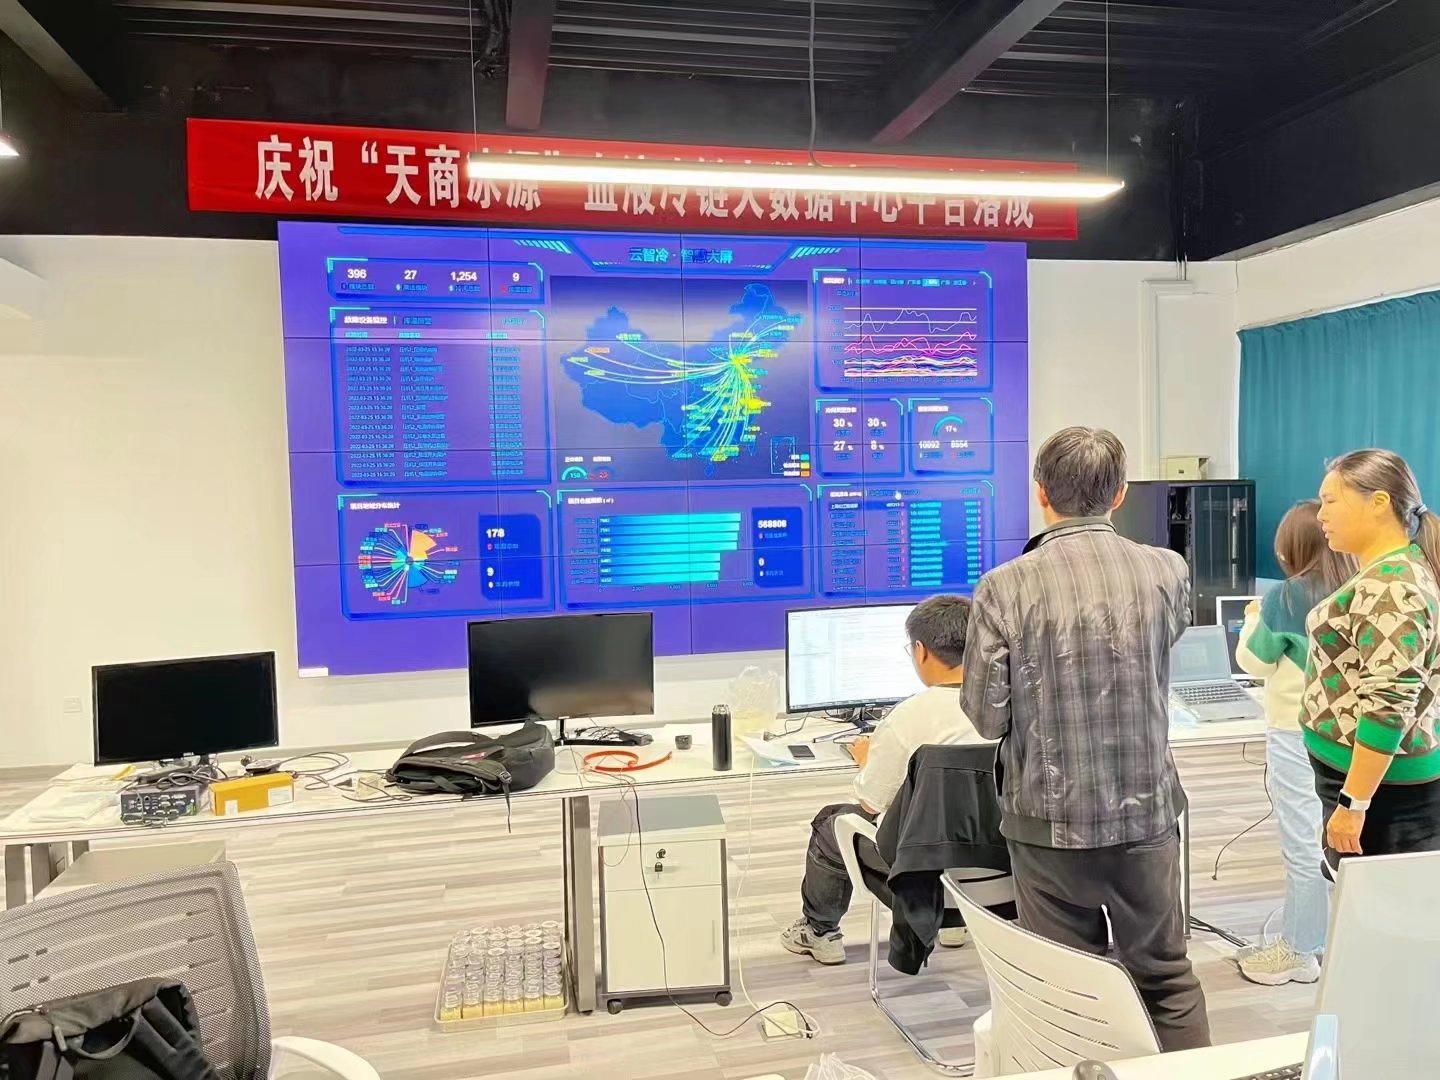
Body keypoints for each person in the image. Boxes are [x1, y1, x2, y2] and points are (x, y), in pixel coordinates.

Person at [962, 426, 1211, 1053]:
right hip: (1148, 813)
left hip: (1049, 825)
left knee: (1067, 987)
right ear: (1120, 494)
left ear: (1041, 493)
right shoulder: (1167, 570)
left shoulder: (1004, 586)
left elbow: (987, 717)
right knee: (1166, 977)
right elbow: (1165, 643)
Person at [782, 594, 984, 965]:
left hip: (920, 870)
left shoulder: (908, 717)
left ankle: (820, 932)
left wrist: (867, 758)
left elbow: (871, 802)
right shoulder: (1006, 706)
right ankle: (955, 926)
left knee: (831, 822)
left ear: (921, 652)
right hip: (993, 870)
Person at [1234, 500, 1353, 986]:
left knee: (1303, 842)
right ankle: (1332, 943)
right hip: (1351, 739)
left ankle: (1300, 951)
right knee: (1340, 840)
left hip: (1295, 731)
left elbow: (1254, 662)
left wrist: (1251, 617)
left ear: (1292, 548)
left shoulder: (1287, 596)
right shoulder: (1360, 585)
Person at [1306, 449, 1440, 862]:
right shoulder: (1395, 569)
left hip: (1380, 793)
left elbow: (1388, 704)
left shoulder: (1391, 585)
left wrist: (1354, 803)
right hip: (1373, 784)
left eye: (1330, 501)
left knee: (1372, 901)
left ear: (1379, 502)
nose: (1320, 515)